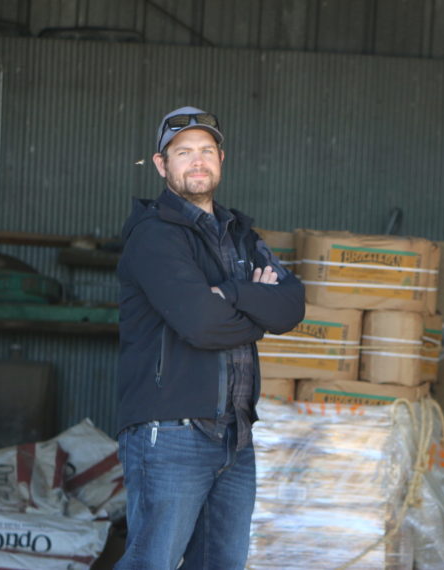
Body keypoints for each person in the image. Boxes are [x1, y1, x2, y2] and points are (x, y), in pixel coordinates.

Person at [115, 106, 305, 569]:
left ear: (221, 157)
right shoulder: (154, 237)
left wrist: (234, 293)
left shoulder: (240, 234)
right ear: (162, 165)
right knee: (151, 563)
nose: (196, 161)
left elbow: (291, 306)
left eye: (205, 150)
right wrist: (257, 307)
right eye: (183, 152)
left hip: (235, 437)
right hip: (172, 433)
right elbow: (203, 326)